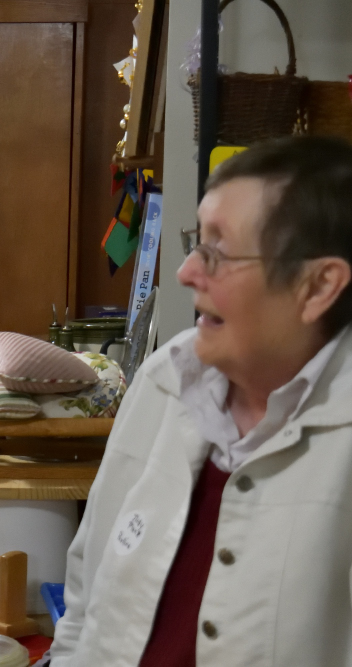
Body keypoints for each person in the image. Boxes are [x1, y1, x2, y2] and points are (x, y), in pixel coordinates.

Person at [48, 136, 352, 666]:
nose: (187, 272)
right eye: (197, 242)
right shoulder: (166, 378)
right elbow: (84, 602)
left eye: (218, 251)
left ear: (318, 286)